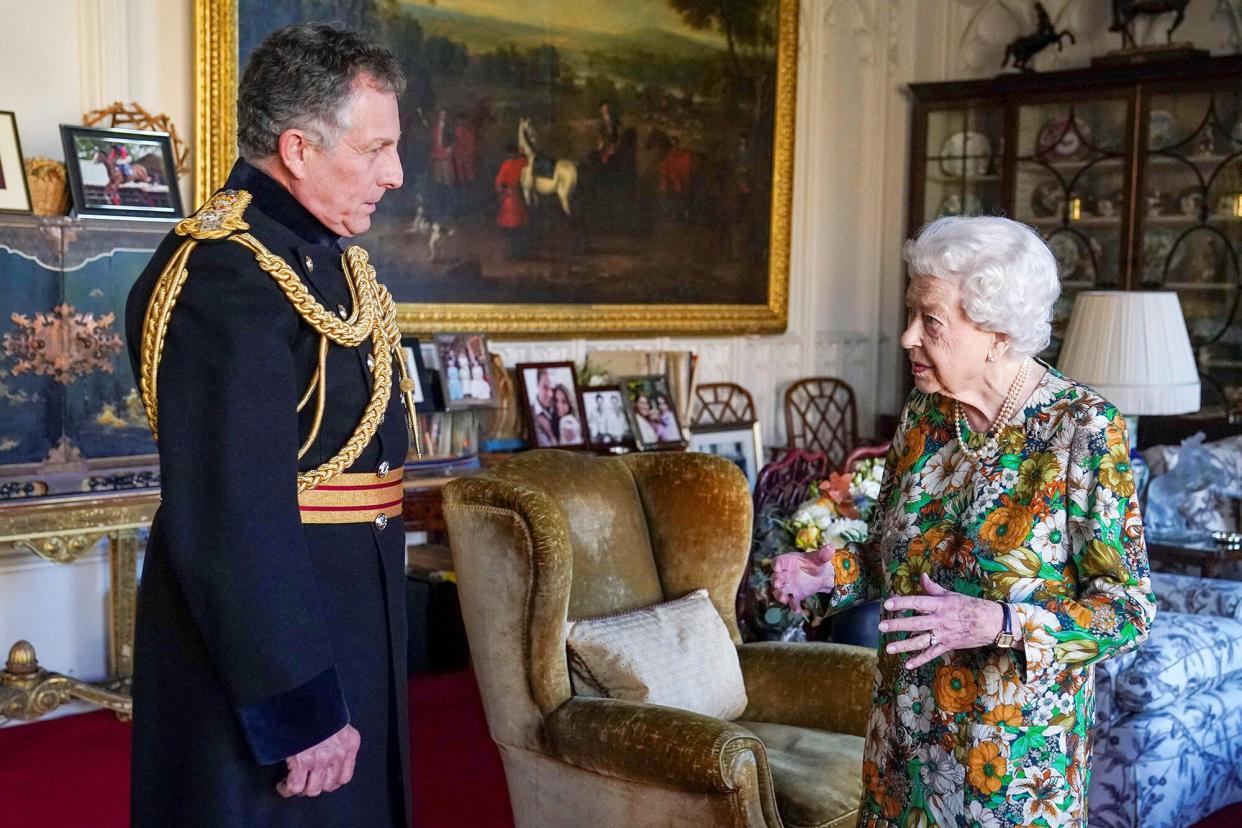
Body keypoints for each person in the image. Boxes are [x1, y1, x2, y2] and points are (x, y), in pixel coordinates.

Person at [123, 24, 413, 827]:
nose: (395, 173)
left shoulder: (316, 258)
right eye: (377, 148)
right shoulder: (226, 274)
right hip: (270, 655)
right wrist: (298, 705)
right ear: (298, 148)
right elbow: (230, 514)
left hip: (344, 618)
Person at [817, 216, 1155, 827]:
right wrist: (827, 574)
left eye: (931, 321)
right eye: (911, 314)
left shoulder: (1081, 429)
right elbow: (884, 558)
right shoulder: (925, 414)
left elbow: (1127, 610)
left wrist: (999, 622)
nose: (906, 337)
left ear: (997, 333)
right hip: (902, 748)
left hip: (1013, 771)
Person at [494, 144, 528, 260]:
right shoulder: (523, 162)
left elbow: (499, 183)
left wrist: (504, 191)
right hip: (522, 198)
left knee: (513, 229)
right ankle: (518, 253)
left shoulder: (508, 164)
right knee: (519, 228)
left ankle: (515, 253)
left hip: (512, 200)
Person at [531, 368, 557, 447]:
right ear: (537, 384)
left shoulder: (559, 409)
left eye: (553, 388)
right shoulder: (531, 413)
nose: (550, 394)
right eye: (545, 387)